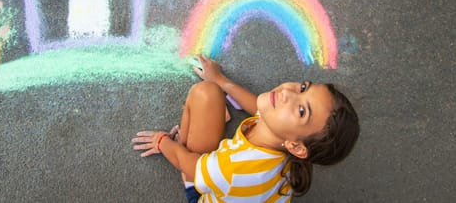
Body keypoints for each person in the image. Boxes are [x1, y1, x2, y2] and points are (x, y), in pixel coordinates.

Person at [132, 55, 359, 202]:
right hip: (230, 180)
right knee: (210, 89)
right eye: (302, 88)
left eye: (302, 111)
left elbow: (191, 165)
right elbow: (256, 105)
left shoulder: (236, 169)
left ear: (296, 147)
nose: (288, 93)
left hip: (210, 186)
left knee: (202, 95)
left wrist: (164, 143)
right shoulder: (285, 137)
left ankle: (182, 143)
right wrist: (219, 79)